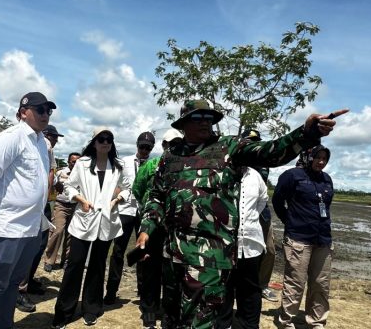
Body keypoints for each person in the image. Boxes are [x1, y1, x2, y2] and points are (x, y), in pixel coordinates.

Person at [137, 99, 347, 328]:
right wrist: (146, 230)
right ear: (184, 124)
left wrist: (306, 133)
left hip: (210, 260)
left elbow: (271, 152)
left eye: (210, 118)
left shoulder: (229, 147)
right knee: (171, 318)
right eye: (198, 118)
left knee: (201, 323)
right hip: (173, 256)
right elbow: (156, 196)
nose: (206, 123)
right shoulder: (170, 157)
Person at [0, 91, 55, 329]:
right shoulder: (9, 138)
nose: (45, 115)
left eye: (48, 111)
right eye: (40, 110)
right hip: (7, 226)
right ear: (23, 112)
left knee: (12, 284)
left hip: (31, 227)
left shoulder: (42, 142)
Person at [52, 128, 133, 327]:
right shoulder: (82, 163)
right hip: (84, 219)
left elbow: (127, 188)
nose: (105, 142)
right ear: (94, 142)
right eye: (101, 139)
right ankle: (63, 312)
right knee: (75, 265)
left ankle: (91, 308)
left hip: (106, 221)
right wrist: (80, 199)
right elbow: (69, 186)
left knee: (97, 266)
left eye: (109, 139)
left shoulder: (118, 166)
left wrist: (116, 200)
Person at [272, 146, 335, 329]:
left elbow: (326, 206)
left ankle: (317, 321)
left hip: (323, 239)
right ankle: (286, 321)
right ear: (308, 157)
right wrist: (290, 222)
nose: (321, 162)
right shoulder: (292, 175)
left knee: (320, 283)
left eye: (324, 158)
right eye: (318, 158)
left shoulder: (326, 179)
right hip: (298, 238)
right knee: (295, 282)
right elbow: (277, 201)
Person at [133, 128, 183, 329]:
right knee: (150, 268)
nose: (173, 148)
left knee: (172, 270)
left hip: (175, 227)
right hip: (152, 226)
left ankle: (170, 310)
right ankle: (149, 309)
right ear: (163, 146)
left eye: (177, 144)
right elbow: (137, 189)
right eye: (170, 144)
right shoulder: (152, 165)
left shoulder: (185, 167)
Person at [15, 124, 64, 311]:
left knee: (38, 246)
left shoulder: (47, 150)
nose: (55, 141)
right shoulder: (38, 146)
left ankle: (28, 280)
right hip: (31, 205)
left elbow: (50, 175)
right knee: (27, 246)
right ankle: (19, 290)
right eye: (53, 137)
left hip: (43, 204)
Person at [104, 131, 156, 305]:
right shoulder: (123, 162)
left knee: (143, 251)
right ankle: (111, 291)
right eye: (142, 146)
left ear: (152, 148)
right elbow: (115, 183)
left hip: (144, 212)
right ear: (137, 145)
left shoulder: (154, 165)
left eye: (148, 148)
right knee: (118, 250)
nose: (144, 150)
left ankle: (143, 292)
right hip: (125, 210)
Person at [218, 166, 269, 329]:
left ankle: (249, 324)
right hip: (224, 243)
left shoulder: (256, 176)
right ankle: (223, 323)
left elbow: (262, 200)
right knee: (225, 285)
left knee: (251, 288)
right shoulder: (219, 173)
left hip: (251, 243)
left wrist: (247, 222)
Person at [241, 129, 280, 303]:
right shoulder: (237, 163)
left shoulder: (263, 163)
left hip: (261, 212)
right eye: (248, 141)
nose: (252, 145)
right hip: (241, 212)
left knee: (269, 250)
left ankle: (262, 285)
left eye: (255, 142)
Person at [44, 152, 81, 271]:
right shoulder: (60, 173)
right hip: (61, 205)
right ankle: (49, 260)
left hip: (75, 206)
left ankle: (66, 261)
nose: (75, 164)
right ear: (69, 161)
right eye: (73, 161)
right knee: (57, 231)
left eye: (77, 162)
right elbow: (52, 184)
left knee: (71, 234)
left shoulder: (83, 175)